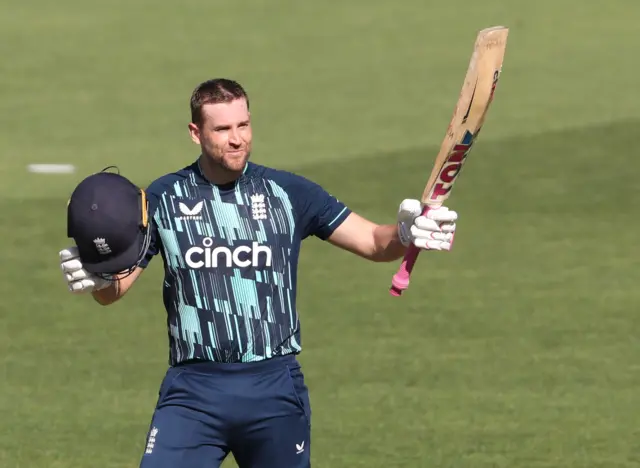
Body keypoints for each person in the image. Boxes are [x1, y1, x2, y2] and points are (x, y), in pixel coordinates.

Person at [59, 78, 458, 468]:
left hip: (274, 388)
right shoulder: (164, 198)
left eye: (243, 125)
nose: (237, 139)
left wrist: (407, 232)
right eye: (223, 129)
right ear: (196, 133)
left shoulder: (287, 193)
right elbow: (116, 288)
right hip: (193, 392)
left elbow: (373, 242)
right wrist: (97, 280)